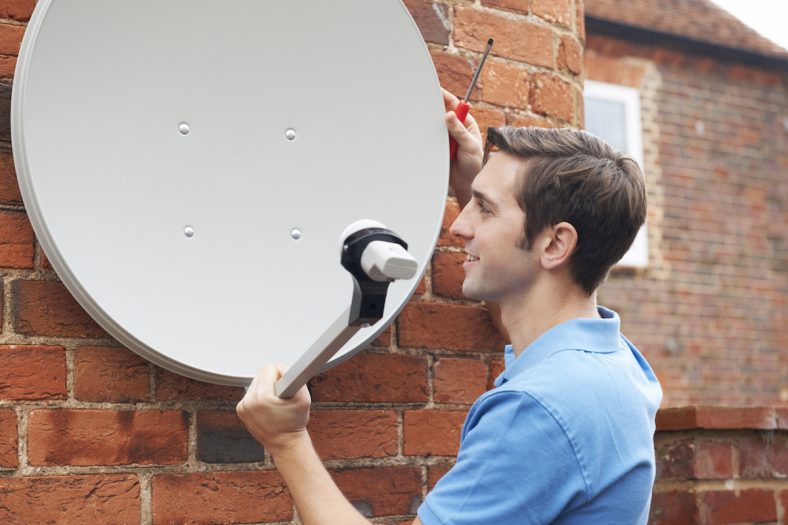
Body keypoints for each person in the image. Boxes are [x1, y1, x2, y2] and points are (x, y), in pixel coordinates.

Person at [237, 88, 663, 525]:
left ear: (555, 243)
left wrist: (287, 441)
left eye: (485, 209)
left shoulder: (539, 408)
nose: (459, 226)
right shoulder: (612, 361)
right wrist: (469, 184)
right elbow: (526, 313)